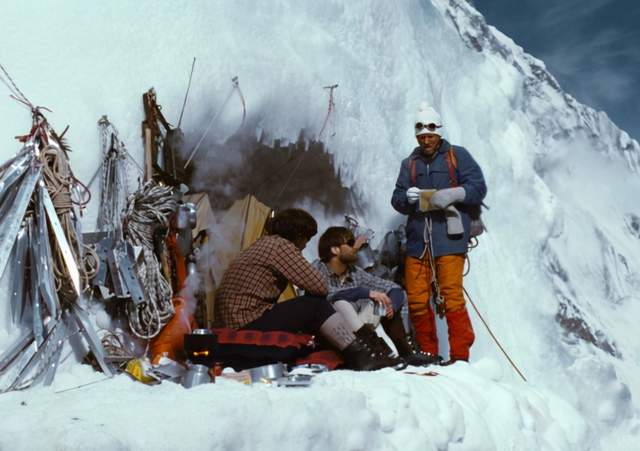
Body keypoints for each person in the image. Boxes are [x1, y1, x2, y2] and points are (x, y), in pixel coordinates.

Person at [214, 208, 396, 371]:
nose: (305, 246)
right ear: (298, 235)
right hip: (246, 320)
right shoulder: (281, 246)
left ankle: (360, 350)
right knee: (314, 305)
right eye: (306, 239)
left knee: (311, 304)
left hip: (235, 317)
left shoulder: (264, 244)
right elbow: (318, 285)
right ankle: (361, 356)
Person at [391, 104, 487, 364]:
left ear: (439, 132)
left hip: (449, 239)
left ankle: (459, 356)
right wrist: (409, 198)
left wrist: (453, 194)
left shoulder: (458, 156)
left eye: (430, 134)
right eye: (421, 136)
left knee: (452, 295)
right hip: (417, 241)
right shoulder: (409, 164)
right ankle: (428, 353)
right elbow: (397, 199)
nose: (426, 139)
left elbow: (478, 188)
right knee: (418, 299)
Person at [313, 226, 439, 366]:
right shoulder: (318, 269)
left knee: (384, 300)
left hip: (359, 330)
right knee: (340, 303)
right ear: (334, 249)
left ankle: (406, 353)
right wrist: (365, 292)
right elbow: (330, 295)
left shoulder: (355, 272)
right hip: (335, 334)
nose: (356, 247)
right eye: (350, 243)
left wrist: (390, 305)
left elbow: (394, 288)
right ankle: (377, 349)